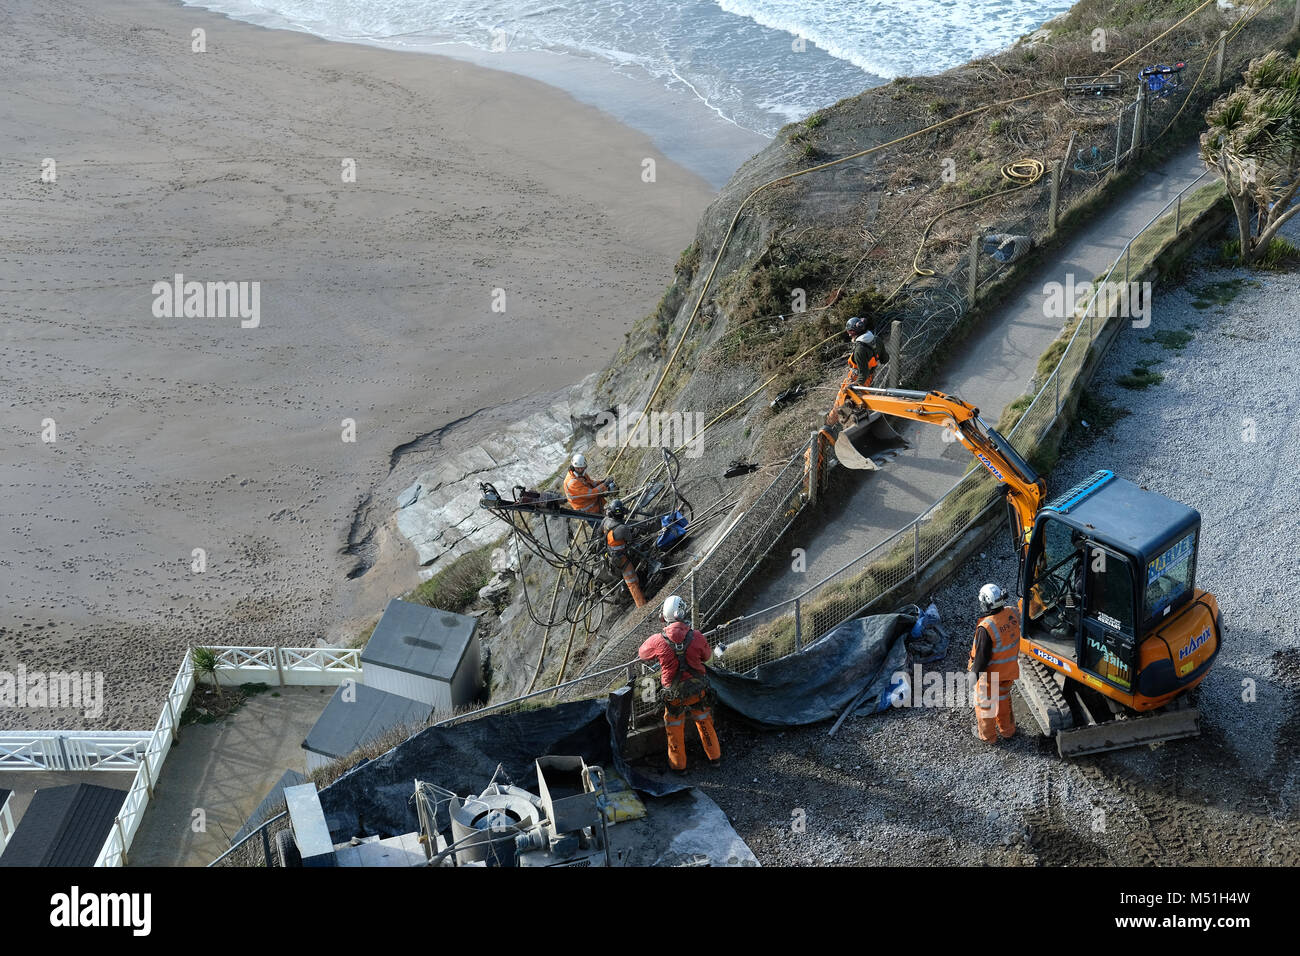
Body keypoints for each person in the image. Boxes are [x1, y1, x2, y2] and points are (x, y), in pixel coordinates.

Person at [638, 595, 721, 772]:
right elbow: (706, 657)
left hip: (673, 695)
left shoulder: (657, 640)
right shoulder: (697, 636)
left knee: (674, 728)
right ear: (683, 613)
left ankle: (678, 766)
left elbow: (643, 654)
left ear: (664, 617)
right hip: (698, 691)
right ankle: (715, 758)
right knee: (704, 721)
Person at [968, 583, 1022, 742]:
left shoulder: (986, 627)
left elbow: (981, 659)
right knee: (1003, 699)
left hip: (990, 677)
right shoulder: (1012, 612)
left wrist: (972, 678)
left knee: (984, 706)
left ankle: (988, 736)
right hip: (1008, 671)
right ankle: (1008, 730)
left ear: (985, 602)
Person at [602, 499, 646, 607]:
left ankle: (624, 588)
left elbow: (599, 534)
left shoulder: (605, 521)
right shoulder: (622, 528)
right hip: (621, 559)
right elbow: (630, 539)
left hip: (610, 557)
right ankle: (642, 606)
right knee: (632, 582)